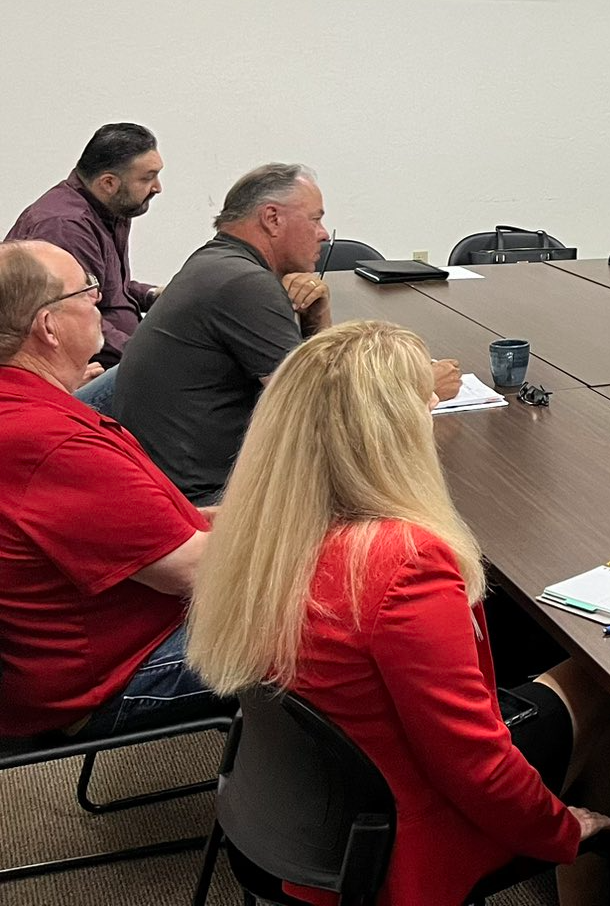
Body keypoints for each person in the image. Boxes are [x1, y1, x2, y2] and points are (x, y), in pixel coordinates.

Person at [187, 321, 610, 906]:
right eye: (425, 403)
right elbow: (478, 771)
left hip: (293, 821)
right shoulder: (403, 563)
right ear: (391, 431)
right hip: (397, 837)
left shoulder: (262, 530)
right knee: (602, 681)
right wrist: (565, 830)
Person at [115, 162, 457, 504]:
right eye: (315, 218)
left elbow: (312, 378)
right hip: (208, 501)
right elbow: (324, 413)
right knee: (395, 490)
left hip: (171, 481)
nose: (323, 233)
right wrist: (419, 387)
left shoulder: (216, 260)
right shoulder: (245, 284)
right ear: (272, 218)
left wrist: (317, 315)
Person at [0, 240, 222, 741]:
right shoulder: (49, 444)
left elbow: (169, 528)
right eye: (87, 291)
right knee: (338, 616)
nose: (101, 300)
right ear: (48, 327)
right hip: (115, 677)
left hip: (103, 652)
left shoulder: (29, 409)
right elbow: (194, 570)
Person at [7, 122, 166, 409]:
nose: (157, 187)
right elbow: (69, 317)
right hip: (85, 369)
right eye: (148, 178)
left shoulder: (111, 209)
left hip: (108, 355)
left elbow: (107, 285)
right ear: (108, 183)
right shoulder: (65, 226)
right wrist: (144, 357)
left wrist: (152, 294)